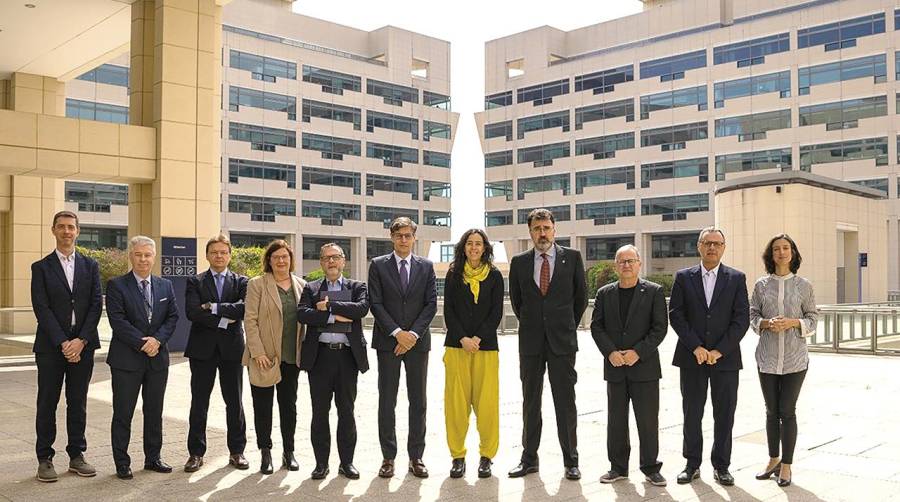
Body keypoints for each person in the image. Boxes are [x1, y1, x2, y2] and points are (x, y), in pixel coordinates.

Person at [507, 208, 587, 481]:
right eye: (536, 228)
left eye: (546, 228)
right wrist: (536, 325)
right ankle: (529, 459)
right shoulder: (519, 262)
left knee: (565, 402)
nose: (542, 233)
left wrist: (563, 326)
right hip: (530, 342)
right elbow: (518, 303)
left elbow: (580, 299)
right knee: (530, 401)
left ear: (555, 229)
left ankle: (571, 460)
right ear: (530, 232)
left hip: (562, 342)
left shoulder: (573, 259)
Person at [669, 227, 749, 486]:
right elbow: (676, 315)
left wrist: (718, 350)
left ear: (724, 247)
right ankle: (692, 464)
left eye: (717, 243)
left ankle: (722, 465)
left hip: (725, 359)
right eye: (707, 243)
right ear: (699, 246)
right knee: (692, 411)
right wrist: (696, 347)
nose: (712, 247)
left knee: (724, 413)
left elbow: (741, 319)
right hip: (692, 357)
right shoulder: (683, 277)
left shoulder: (736, 278)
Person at [31, 210, 102, 482]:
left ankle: (76, 454)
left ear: (78, 231)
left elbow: (96, 305)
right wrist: (63, 342)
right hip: (51, 347)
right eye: (61, 227)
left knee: (78, 402)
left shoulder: (90, 266)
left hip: (83, 346)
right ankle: (45, 458)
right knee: (47, 402)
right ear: (53, 231)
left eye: (71, 227)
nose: (66, 231)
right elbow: (42, 307)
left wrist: (80, 341)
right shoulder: (41, 267)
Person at [590, 245, 668, 486]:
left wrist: (638, 352)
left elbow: (660, 328)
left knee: (647, 420)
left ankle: (650, 468)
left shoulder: (654, 292)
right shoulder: (604, 293)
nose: (626, 265)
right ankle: (618, 467)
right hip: (615, 367)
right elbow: (597, 326)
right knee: (616, 421)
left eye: (631, 261)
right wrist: (610, 352)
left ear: (639, 264)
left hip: (644, 368)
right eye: (622, 261)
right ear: (616, 265)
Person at [368, 217, 437, 479]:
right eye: (399, 236)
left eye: (408, 235)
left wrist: (413, 335)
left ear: (414, 237)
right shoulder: (377, 265)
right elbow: (376, 303)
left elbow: (431, 304)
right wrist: (398, 334)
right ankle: (388, 457)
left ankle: (416, 456)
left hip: (418, 345)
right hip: (388, 343)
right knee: (387, 400)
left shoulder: (427, 266)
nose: (404, 240)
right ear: (392, 237)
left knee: (418, 401)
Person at [105, 236, 179, 480]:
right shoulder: (117, 285)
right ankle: (122, 462)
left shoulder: (165, 286)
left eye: (148, 255)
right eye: (139, 254)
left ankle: (153, 458)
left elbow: (172, 317)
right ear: (131, 256)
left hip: (157, 360)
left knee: (154, 411)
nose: (143, 259)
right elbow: (118, 321)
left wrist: (157, 341)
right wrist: (143, 343)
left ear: (154, 257)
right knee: (123, 412)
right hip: (126, 361)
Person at [298, 243, 370, 480]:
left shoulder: (357, 286)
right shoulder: (311, 287)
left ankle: (346, 463)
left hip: (347, 358)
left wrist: (328, 306)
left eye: (335, 257)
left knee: (346, 412)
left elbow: (360, 309)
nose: (331, 261)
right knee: (320, 412)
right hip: (320, 357)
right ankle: (321, 464)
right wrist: (336, 316)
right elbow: (303, 314)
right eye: (326, 257)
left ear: (343, 261)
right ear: (321, 262)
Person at [750, 234, 818, 487]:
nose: (781, 252)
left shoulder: (804, 285)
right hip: (766, 358)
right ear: (771, 254)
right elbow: (752, 314)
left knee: (787, 412)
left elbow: (813, 318)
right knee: (771, 412)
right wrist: (765, 323)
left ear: (793, 252)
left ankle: (786, 465)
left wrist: (794, 323)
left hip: (795, 359)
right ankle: (772, 459)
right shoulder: (760, 285)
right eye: (776, 249)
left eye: (786, 248)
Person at [183, 234, 249, 472]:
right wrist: (224, 320)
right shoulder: (195, 281)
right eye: (214, 252)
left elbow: (244, 308)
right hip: (202, 351)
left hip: (232, 350)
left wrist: (213, 307)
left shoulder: (242, 281)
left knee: (235, 402)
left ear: (229, 255)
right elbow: (192, 312)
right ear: (207, 255)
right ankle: (195, 453)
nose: (219, 256)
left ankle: (237, 451)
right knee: (199, 402)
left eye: (223, 252)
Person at [442, 229, 504, 479]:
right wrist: (463, 338)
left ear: (485, 248)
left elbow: (496, 312)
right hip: (457, 347)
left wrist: (477, 338)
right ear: (464, 247)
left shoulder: (495, 275)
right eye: (470, 244)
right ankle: (458, 457)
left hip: (485, 347)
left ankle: (486, 457)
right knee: (456, 405)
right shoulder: (453, 273)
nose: (474, 248)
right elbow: (448, 310)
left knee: (487, 404)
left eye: (479, 244)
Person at [242, 239, 306, 474]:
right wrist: (257, 352)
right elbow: (250, 320)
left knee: (289, 406)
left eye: (285, 257)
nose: (281, 260)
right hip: (265, 357)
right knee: (263, 406)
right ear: (269, 260)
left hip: (292, 356)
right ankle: (265, 451)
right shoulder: (257, 284)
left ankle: (289, 452)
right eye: (276, 257)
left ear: (291, 260)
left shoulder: (301, 285)